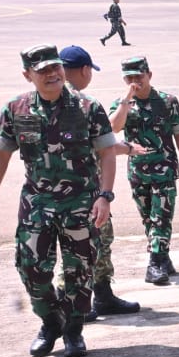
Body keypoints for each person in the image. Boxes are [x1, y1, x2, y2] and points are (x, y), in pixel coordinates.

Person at [0, 44, 117, 357]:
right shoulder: (16, 109)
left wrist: (105, 196)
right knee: (31, 269)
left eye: (55, 68)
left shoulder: (87, 107)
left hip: (81, 203)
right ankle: (50, 321)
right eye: (42, 70)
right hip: (37, 203)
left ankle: (73, 331)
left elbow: (107, 153)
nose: (52, 74)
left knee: (78, 271)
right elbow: (0, 154)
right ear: (28, 75)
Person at [58, 45, 140, 318]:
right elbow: (107, 138)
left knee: (98, 242)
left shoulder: (48, 102)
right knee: (79, 247)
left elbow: (100, 145)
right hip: (85, 192)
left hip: (61, 191)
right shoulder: (83, 104)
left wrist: (126, 148)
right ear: (83, 70)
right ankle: (70, 306)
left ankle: (102, 296)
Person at [108, 56, 179, 286]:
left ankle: (155, 263)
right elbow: (113, 128)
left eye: (140, 76)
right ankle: (163, 257)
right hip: (138, 171)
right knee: (148, 218)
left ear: (149, 75)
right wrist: (126, 101)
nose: (136, 81)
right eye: (130, 78)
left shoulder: (167, 101)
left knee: (162, 216)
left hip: (164, 169)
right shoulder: (122, 103)